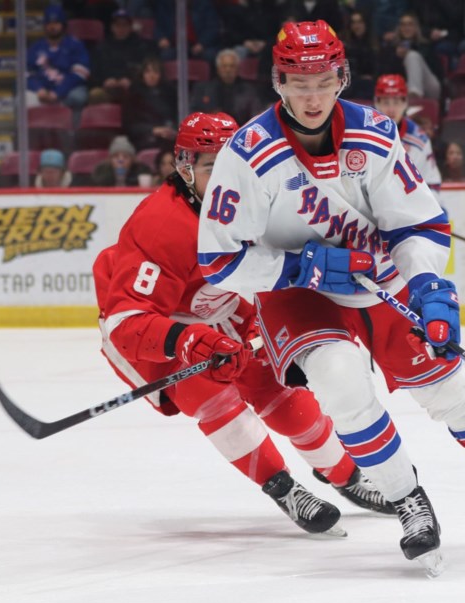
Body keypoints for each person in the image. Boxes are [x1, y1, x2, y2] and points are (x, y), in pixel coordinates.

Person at [197, 20, 465, 575]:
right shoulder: (247, 154)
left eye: (323, 81)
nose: (311, 96)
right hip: (298, 295)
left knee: (449, 388)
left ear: (342, 78)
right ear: (278, 83)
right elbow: (219, 260)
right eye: (298, 82)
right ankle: (407, 499)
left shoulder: (375, 133)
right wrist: (299, 265)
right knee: (339, 381)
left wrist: (430, 287)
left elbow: (421, 226)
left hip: (377, 278)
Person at [93, 112, 393, 536]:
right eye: (211, 167)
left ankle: (347, 475)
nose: (226, 178)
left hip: (224, 309)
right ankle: (283, 487)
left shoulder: (257, 198)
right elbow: (127, 322)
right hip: (162, 327)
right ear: (184, 167)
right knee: (213, 397)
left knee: (279, 390)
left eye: (233, 163)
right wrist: (188, 341)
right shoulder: (161, 225)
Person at [373, 74, 443, 203]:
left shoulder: (419, 140)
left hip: (410, 210)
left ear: (405, 103)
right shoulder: (363, 134)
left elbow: (432, 184)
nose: (391, 109)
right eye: (386, 102)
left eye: (396, 102)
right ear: (376, 103)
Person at [25, 5, 90, 113]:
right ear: (45, 25)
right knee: (23, 99)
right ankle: (34, 129)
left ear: (63, 25)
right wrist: (39, 89)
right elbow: (26, 74)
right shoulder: (35, 47)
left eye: (56, 23)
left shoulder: (75, 45)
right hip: (42, 92)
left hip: (67, 92)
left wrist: (58, 92)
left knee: (78, 97)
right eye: (49, 23)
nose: (52, 27)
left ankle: (72, 129)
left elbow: (80, 74)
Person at [88, 9, 156, 104]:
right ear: (112, 27)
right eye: (118, 25)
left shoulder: (141, 46)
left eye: (124, 25)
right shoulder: (102, 47)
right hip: (107, 89)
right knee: (95, 94)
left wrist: (132, 81)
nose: (121, 28)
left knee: (146, 94)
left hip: (134, 89)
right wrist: (104, 81)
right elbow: (94, 72)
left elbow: (146, 70)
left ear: (130, 27)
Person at [376, 12, 444, 101]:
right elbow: (385, 75)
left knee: (412, 56)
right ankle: (413, 94)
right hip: (402, 89)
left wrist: (416, 55)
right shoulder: (391, 48)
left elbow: (437, 71)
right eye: (403, 25)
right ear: (399, 28)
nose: (406, 28)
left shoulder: (425, 45)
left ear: (416, 27)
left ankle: (414, 95)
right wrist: (397, 58)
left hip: (430, 87)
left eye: (410, 24)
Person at [191, 49, 265, 125]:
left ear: (238, 69)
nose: (228, 70)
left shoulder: (249, 90)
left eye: (232, 66)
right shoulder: (203, 89)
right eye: (224, 66)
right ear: (218, 69)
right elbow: (195, 116)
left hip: (240, 132)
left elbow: (256, 117)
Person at [124, 57, 177, 151]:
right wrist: (153, 130)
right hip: (143, 138)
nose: (151, 75)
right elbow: (130, 126)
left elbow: (176, 118)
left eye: (155, 72)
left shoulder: (170, 94)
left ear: (161, 75)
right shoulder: (133, 95)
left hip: (168, 136)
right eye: (148, 72)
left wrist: (170, 129)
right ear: (142, 74)